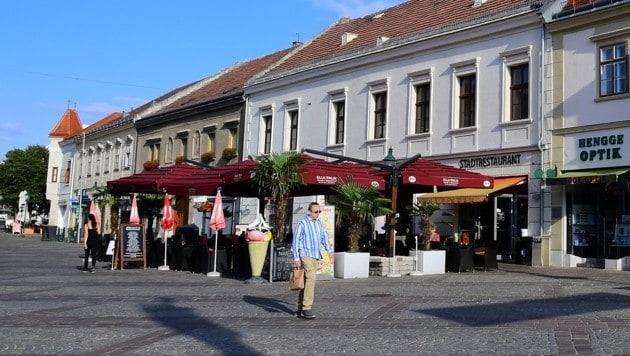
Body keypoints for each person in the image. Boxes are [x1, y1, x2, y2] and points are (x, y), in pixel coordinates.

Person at [291, 202, 334, 319]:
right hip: (305, 255)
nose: (318, 214)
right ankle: (306, 308)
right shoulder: (302, 223)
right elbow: (296, 241)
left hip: (316, 255)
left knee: (306, 281)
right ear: (309, 212)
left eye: (319, 211)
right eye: (315, 212)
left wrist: (329, 251)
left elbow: (324, 237)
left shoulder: (319, 224)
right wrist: (296, 257)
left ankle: (300, 308)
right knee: (311, 279)